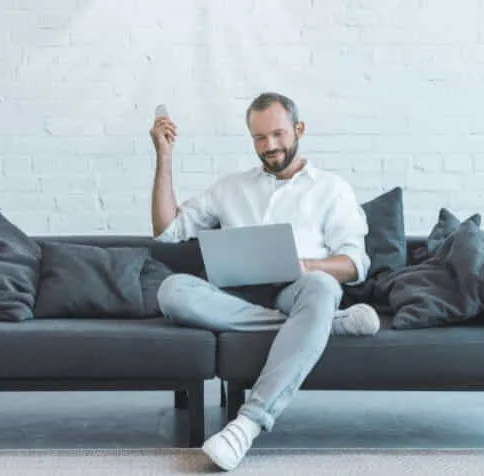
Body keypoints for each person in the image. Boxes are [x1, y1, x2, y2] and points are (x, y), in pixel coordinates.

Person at [149, 92, 380, 471]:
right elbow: (166, 230)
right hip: (238, 297)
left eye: (278, 134)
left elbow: (355, 263)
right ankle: (321, 326)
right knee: (171, 291)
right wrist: (164, 155)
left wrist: (305, 265)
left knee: (322, 286)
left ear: (299, 130)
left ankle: (247, 423)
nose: (269, 146)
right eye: (259, 138)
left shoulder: (331, 188)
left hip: (300, 291)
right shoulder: (231, 187)